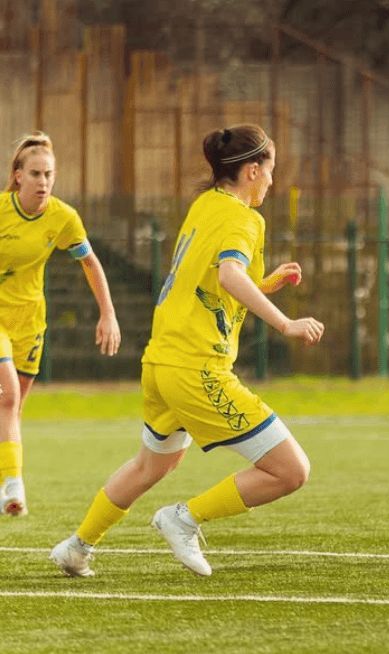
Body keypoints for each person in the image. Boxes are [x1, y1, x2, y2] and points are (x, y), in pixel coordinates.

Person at [50, 124, 325, 577]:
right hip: (197, 367)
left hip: (161, 362)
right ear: (252, 170)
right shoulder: (244, 218)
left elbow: (214, 282)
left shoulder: (205, 205)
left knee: (149, 466)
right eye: (270, 172)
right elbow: (228, 277)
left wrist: (267, 285)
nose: (273, 182)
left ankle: (77, 547)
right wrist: (285, 322)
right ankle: (184, 518)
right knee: (291, 470)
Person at [0, 132, 121, 517]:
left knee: (13, 410)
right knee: (7, 397)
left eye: (49, 174)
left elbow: (89, 261)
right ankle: (13, 488)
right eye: (35, 173)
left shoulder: (63, 217)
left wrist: (108, 313)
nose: (43, 182)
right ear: (18, 176)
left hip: (30, 320)